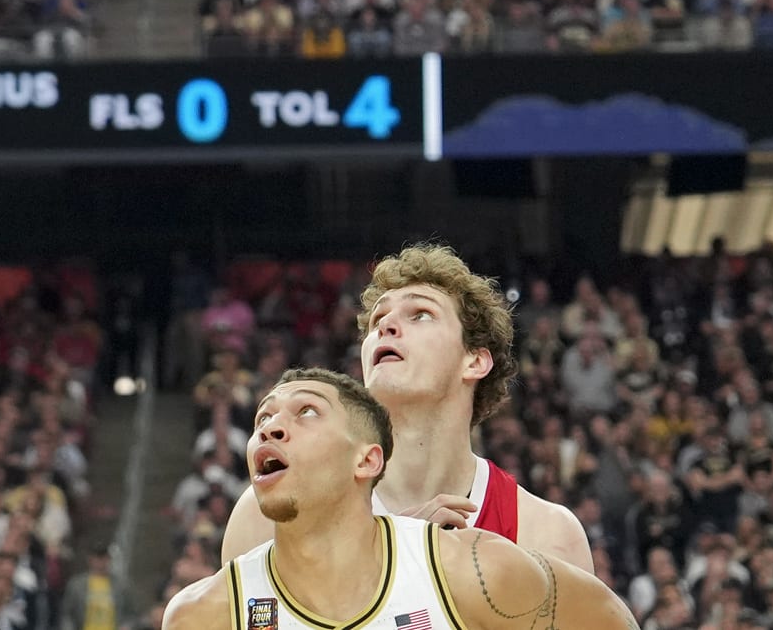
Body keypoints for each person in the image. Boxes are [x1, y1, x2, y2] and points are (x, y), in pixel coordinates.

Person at [222, 244, 593, 569]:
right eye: (378, 321)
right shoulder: (271, 516)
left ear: (475, 361)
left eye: (420, 315)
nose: (386, 327)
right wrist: (396, 552)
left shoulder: (545, 534)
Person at [169, 370, 632, 630]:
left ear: (367, 461)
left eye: (306, 411)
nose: (268, 428)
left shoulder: (469, 568)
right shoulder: (203, 613)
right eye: (262, 418)